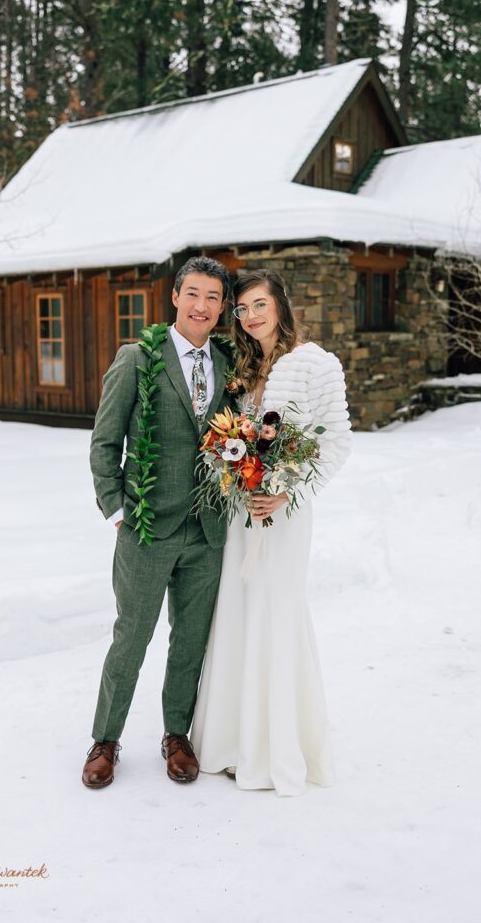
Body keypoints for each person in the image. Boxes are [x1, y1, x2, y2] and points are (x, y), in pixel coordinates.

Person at [191, 268, 352, 797]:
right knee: (238, 610)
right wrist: (231, 470)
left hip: (284, 513)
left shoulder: (315, 362)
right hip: (243, 511)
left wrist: (289, 489)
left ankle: (274, 747)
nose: (251, 315)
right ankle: (236, 742)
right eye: (242, 309)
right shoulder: (244, 368)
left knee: (275, 610)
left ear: (280, 303)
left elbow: (336, 443)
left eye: (259, 304)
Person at [82, 255, 235, 789]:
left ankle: (176, 735)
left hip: (208, 530)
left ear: (222, 306)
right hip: (146, 528)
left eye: (213, 297)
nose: (202, 306)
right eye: (193, 294)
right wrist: (118, 509)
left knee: (190, 639)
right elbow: (105, 442)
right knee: (132, 637)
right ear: (175, 297)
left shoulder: (228, 362)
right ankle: (105, 739)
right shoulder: (138, 358)